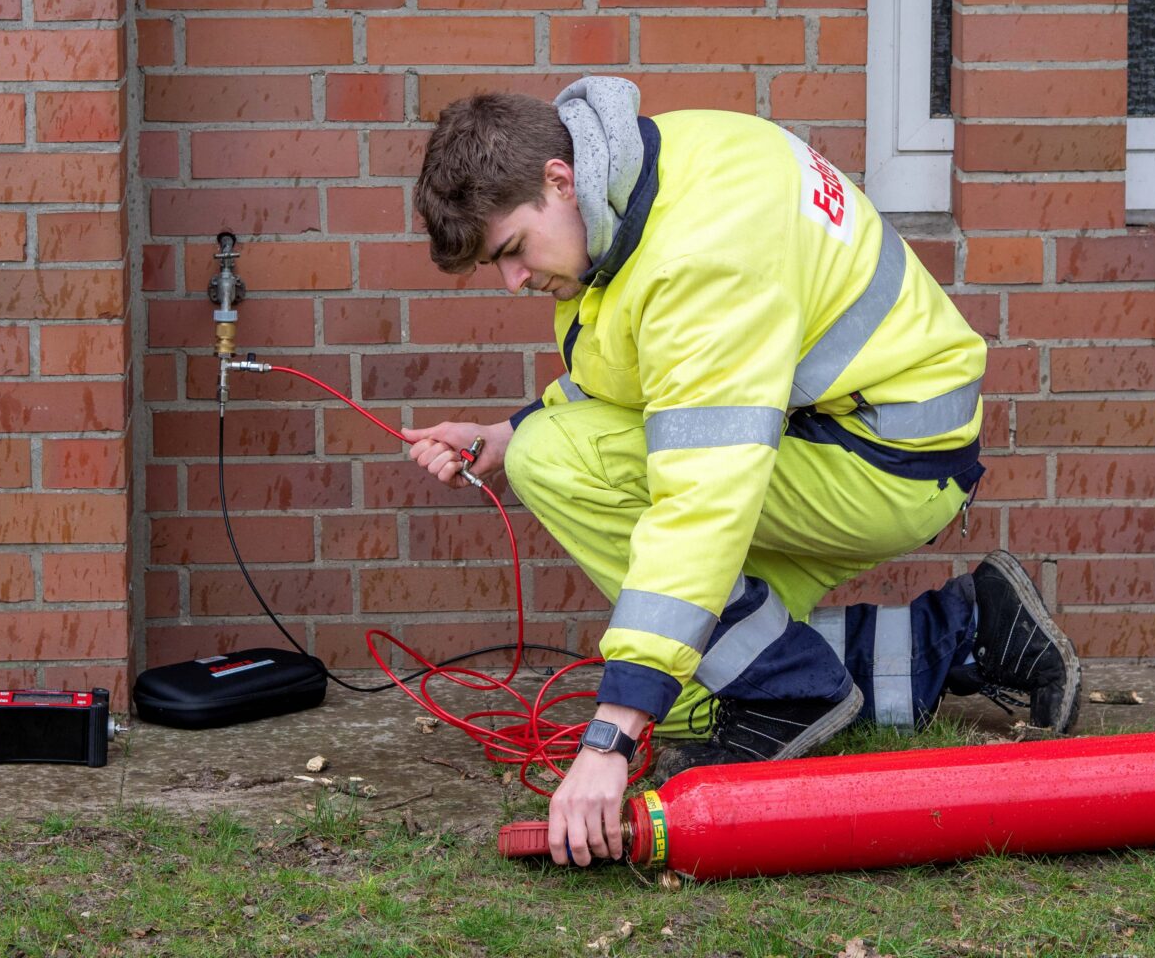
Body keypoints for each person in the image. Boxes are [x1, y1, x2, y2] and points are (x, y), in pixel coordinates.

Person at [402, 77, 1080, 868]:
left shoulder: (702, 253)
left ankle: (789, 689)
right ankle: (966, 633)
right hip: (845, 435)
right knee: (696, 690)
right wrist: (505, 429)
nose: (512, 281)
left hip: (880, 459)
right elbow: (649, 368)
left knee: (560, 468)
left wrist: (609, 738)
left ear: (558, 180)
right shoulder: (650, 168)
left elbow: (702, 500)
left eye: (511, 250)